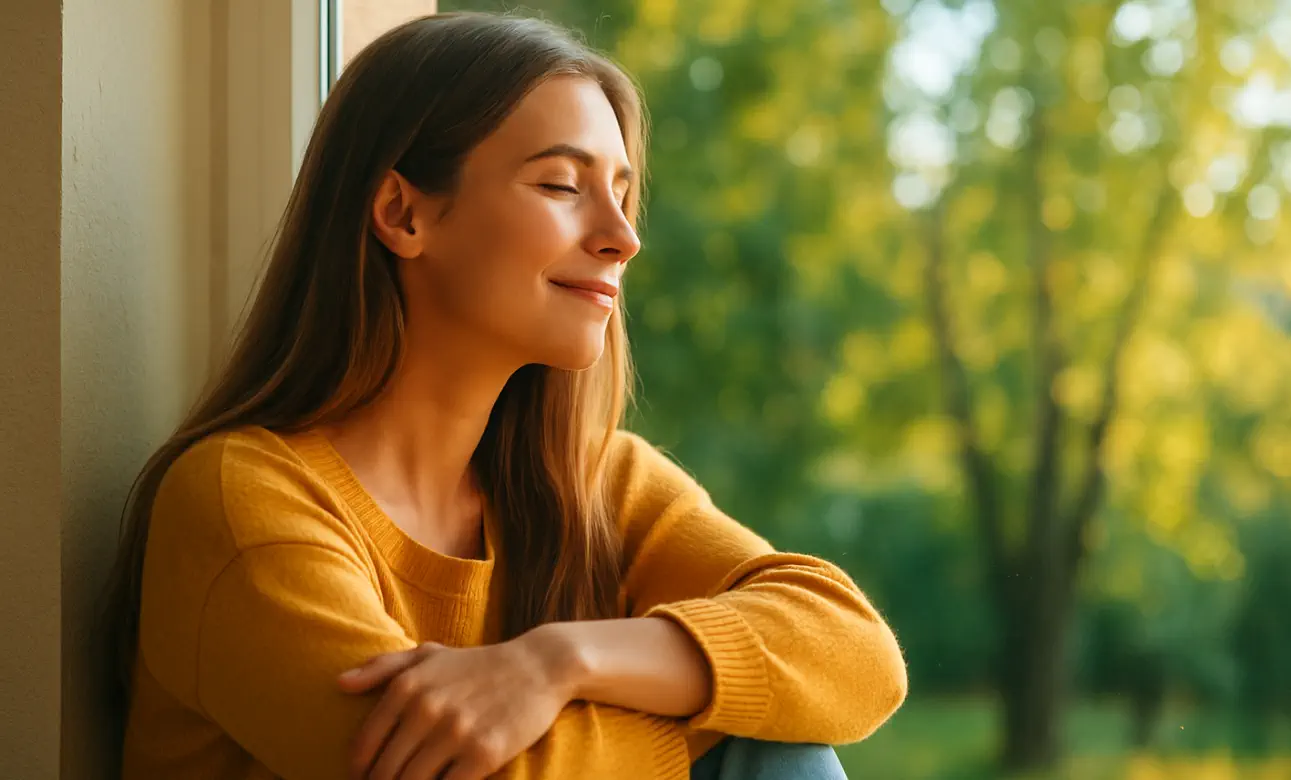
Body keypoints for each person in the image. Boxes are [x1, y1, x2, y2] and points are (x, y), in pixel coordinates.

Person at [108, 11, 907, 780]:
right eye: (562, 184)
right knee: (762, 750)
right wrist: (714, 714)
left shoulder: (591, 481)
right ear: (402, 213)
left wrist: (558, 660)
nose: (622, 238)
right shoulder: (240, 501)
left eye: (621, 193)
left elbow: (856, 654)